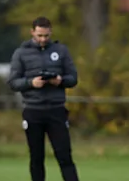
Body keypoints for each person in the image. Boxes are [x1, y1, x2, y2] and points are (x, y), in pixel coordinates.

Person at [7, 16, 80, 181]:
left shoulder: (61, 51)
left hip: (56, 111)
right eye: (39, 36)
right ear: (32, 32)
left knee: (64, 156)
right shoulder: (21, 53)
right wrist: (31, 83)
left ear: (50, 32)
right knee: (36, 157)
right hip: (33, 111)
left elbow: (73, 78)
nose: (43, 39)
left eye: (46, 36)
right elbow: (12, 82)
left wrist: (60, 81)